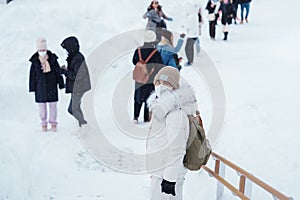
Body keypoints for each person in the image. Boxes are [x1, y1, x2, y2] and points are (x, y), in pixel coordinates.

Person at [146, 66, 198, 200]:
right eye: (158, 82)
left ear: (175, 87)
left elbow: (177, 149)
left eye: (166, 83)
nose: (161, 86)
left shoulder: (175, 113)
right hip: (164, 170)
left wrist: (169, 179)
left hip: (167, 173)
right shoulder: (163, 108)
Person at [29, 37, 64, 132]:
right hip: (40, 87)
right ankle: (43, 123)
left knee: (53, 106)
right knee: (42, 107)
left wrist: (61, 84)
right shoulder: (35, 61)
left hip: (51, 85)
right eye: (40, 50)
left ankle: (53, 123)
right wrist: (32, 87)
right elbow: (32, 75)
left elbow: (57, 72)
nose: (42, 52)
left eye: (44, 50)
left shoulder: (52, 59)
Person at [132, 30, 164, 123]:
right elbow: (160, 65)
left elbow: (134, 61)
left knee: (138, 97)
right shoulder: (155, 52)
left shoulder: (138, 50)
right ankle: (146, 117)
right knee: (148, 97)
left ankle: (135, 116)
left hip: (139, 78)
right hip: (150, 78)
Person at [60, 36, 91, 127]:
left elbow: (78, 75)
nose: (66, 51)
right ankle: (83, 126)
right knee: (76, 107)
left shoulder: (78, 58)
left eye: (67, 49)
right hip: (77, 87)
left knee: (72, 109)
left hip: (79, 87)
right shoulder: (73, 56)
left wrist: (65, 72)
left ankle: (84, 124)